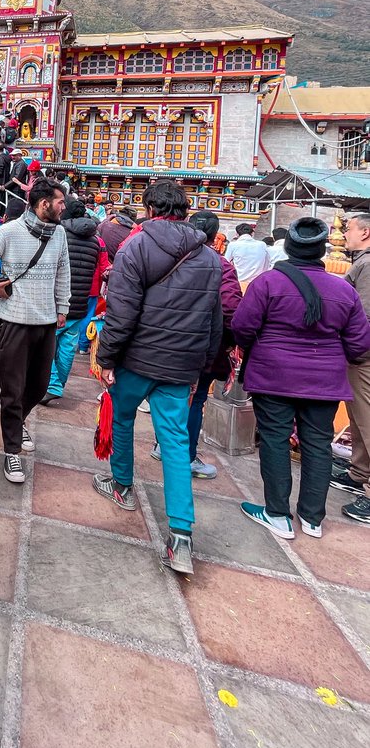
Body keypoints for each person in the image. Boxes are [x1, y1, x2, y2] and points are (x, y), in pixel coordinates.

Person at [94, 180, 222, 577]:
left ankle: (122, 485)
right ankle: (180, 535)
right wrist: (204, 366)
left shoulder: (137, 246)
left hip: (138, 357)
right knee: (175, 441)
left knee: (122, 418)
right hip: (181, 364)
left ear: (150, 208)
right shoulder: (211, 257)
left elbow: (122, 311)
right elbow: (214, 320)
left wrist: (107, 356)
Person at [232, 218, 370, 539]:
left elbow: (242, 327)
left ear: (289, 248)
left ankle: (277, 514)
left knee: (276, 441)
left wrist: (261, 347)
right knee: (318, 444)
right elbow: (360, 343)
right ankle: (312, 519)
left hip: (273, 376)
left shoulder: (267, 284)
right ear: (322, 250)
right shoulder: (343, 290)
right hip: (324, 381)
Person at [0, 178, 70, 484]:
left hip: (47, 322)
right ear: (44, 204)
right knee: (11, 390)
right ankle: (11, 452)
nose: (65, 206)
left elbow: (63, 269)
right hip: (15, 322)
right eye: (60, 201)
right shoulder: (9, 231)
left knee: (38, 385)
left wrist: (63, 307)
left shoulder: (59, 233)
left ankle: (18, 421)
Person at [150, 211, 242, 479]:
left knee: (169, 396)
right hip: (200, 347)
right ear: (216, 237)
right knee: (195, 398)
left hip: (163, 341)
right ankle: (186, 456)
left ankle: (161, 444)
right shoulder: (220, 264)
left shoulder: (168, 256)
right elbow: (230, 308)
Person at [45, 199, 108, 403]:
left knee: (46, 344)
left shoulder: (58, 235)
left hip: (58, 302)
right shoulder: (95, 241)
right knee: (67, 346)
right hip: (81, 303)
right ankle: (58, 384)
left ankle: (53, 384)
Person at [335, 213, 370, 522]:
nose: (344, 235)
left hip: (365, 355)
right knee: (359, 417)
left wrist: (353, 348)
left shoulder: (368, 265)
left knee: (368, 420)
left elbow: (365, 316)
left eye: (349, 230)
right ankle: (359, 472)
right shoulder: (362, 262)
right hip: (358, 354)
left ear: (366, 232)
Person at [225, 222, 271, 290]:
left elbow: (226, 262)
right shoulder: (262, 245)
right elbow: (267, 263)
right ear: (252, 233)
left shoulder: (233, 245)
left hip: (239, 282)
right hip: (258, 283)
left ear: (237, 234)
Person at [4, 148, 29, 220]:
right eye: (12, 155)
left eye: (14, 155)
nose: (12, 157)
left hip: (17, 189)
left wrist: (5, 186)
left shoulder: (21, 164)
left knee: (16, 205)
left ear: (20, 156)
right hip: (15, 189)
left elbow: (16, 178)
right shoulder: (19, 163)